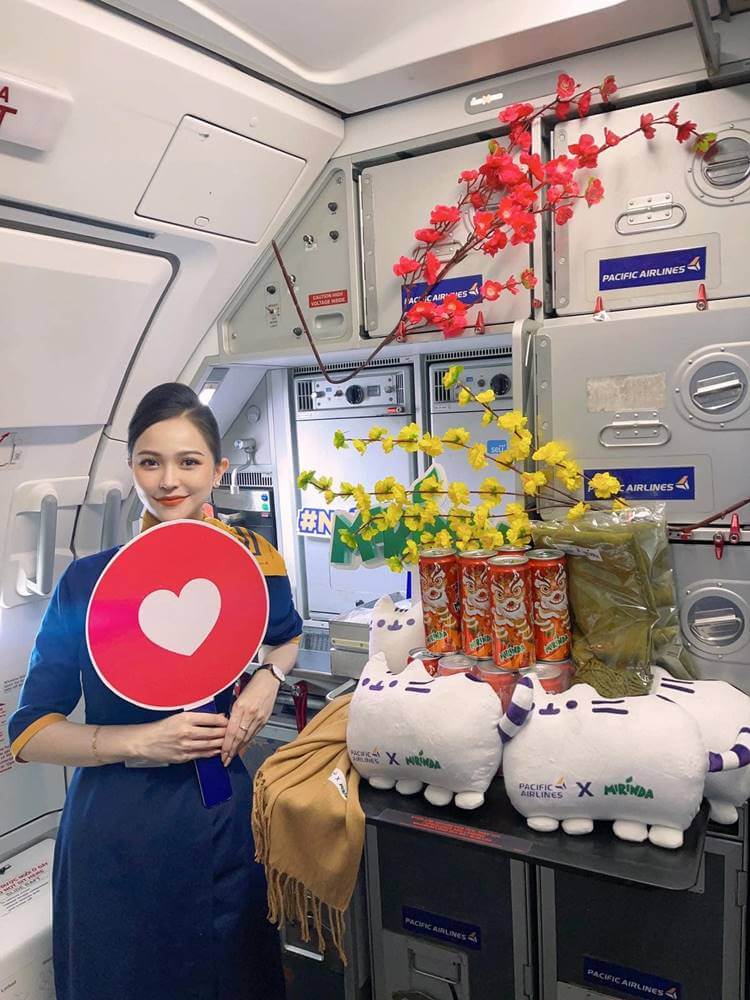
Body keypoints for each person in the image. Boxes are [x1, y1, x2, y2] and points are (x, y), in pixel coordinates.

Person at [8, 383, 302, 1000]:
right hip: (118, 827)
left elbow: (286, 636)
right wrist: (142, 741)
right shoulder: (88, 583)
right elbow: (29, 733)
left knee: (234, 978)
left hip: (221, 811)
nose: (169, 480)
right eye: (150, 461)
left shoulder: (254, 563)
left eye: (188, 461)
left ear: (218, 470)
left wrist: (267, 681)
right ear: (132, 469)